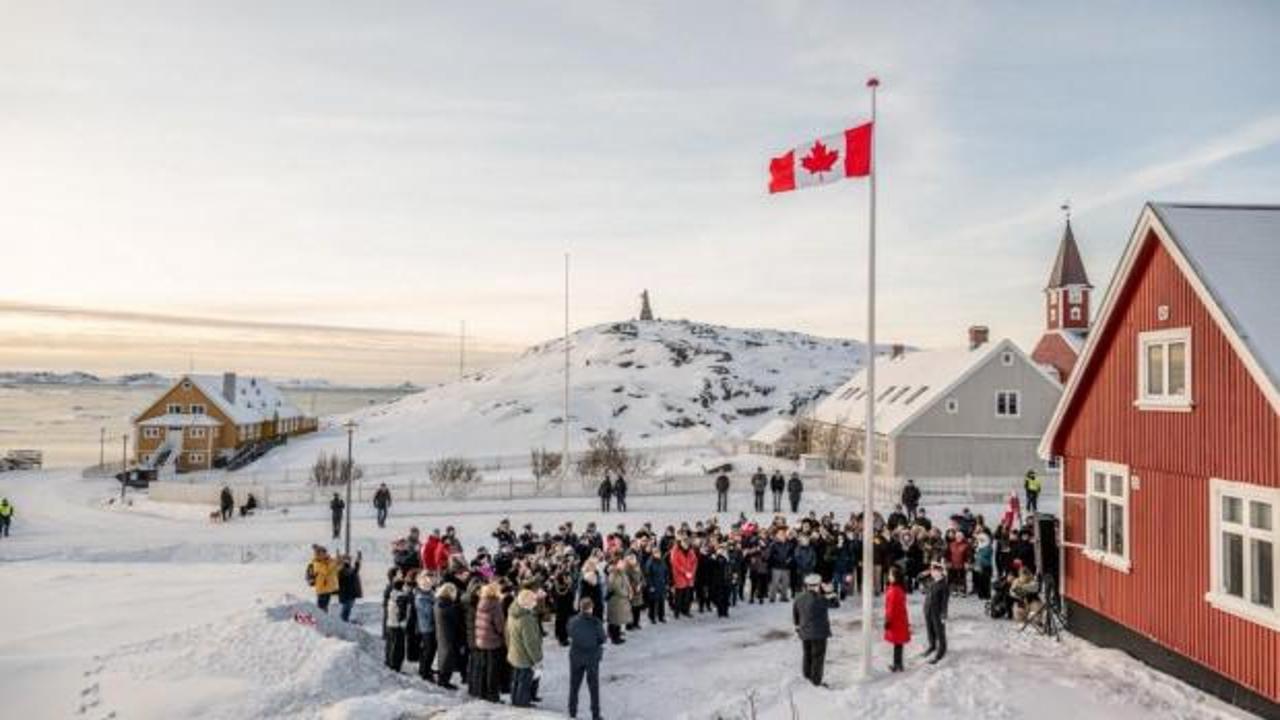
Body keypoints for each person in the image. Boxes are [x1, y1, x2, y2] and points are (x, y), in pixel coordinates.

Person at [793, 574, 839, 686]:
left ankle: (807, 678)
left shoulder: (799, 598)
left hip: (805, 632)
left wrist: (798, 628)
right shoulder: (821, 599)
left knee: (807, 655)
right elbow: (836, 604)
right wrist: (830, 592)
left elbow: (796, 615)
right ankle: (816, 681)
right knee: (818, 657)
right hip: (819, 634)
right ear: (818, 585)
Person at [567, 597, 606, 720]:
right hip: (591, 657)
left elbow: (570, 633)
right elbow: (602, 638)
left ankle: (572, 711)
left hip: (576, 656)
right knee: (593, 687)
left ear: (580, 607)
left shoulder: (572, 621)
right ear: (591, 608)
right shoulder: (596, 622)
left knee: (574, 685)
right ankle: (595, 714)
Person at [506, 589, 543, 707]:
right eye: (533, 601)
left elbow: (507, 633)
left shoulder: (513, 612)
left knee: (517, 678)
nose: (535, 603)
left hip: (515, 651)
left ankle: (515, 699)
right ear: (527, 603)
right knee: (524, 680)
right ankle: (522, 702)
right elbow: (530, 642)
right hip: (524, 655)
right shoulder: (526, 619)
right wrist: (537, 659)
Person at [473, 582, 506, 702]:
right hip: (492, 641)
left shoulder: (481, 602)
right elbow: (499, 625)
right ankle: (492, 695)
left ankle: (482, 692)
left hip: (481, 639)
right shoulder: (495, 604)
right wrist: (503, 634)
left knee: (484, 667)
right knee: (493, 670)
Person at [433, 582, 464, 689]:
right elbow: (452, 615)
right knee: (447, 657)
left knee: (444, 655)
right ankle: (444, 680)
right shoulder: (445, 604)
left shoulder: (439, 602)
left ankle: (443, 679)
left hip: (443, 632)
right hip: (447, 633)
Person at [883, 566, 911, 672]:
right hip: (900, 619)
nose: (889, 577)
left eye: (890, 575)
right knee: (898, 643)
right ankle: (898, 664)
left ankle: (897, 665)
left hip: (895, 620)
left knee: (897, 643)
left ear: (895, 577)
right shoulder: (899, 588)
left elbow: (891, 608)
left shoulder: (894, 590)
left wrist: (888, 620)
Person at [922, 561, 949, 664]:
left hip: (937, 612)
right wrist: (926, 573)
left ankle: (941, 650)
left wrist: (944, 614)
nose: (932, 572)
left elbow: (944, 601)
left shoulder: (943, 585)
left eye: (934, 570)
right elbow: (919, 578)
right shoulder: (931, 581)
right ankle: (932, 645)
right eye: (932, 570)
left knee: (939, 632)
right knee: (930, 630)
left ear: (940, 571)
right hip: (928, 610)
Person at [384, 572, 412, 671]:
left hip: (390, 623)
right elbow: (402, 612)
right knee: (398, 647)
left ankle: (389, 662)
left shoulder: (392, 594)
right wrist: (403, 623)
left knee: (390, 645)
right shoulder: (401, 597)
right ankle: (395, 666)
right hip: (397, 625)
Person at [413, 573, 437, 681]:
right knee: (428, 649)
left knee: (430, 649)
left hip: (431, 625)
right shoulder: (421, 596)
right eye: (428, 580)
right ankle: (425, 671)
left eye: (431, 580)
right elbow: (428, 612)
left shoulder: (430, 592)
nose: (430, 582)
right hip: (426, 626)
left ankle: (426, 668)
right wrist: (436, 604)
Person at [306, 545, 341, 611]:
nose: (325, 554)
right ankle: (321, 617)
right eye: (323, 552)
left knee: (325, 607)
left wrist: (338, 562)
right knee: (321, 608)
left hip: (328, 588)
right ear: (318, 554)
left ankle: (324, 616)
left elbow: (336, 570)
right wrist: (334, 563)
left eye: (325, 552)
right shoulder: (317, 562)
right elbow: (326, 571)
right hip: (322, 588)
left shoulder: (328, 561)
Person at [670, 537, 698, 618]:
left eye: (687, 543)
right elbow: (675, 563)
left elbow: (695, 562)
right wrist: (685, 572)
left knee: (687, 596)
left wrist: (692, 572)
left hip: (689, 577)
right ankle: (677, 612)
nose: (686, 545)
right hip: (679, 576)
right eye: (684, 543)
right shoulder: (676, 551)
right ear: (681, 543)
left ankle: (686, 610)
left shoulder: (691, 551)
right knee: (679, 596)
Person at [606, 561, 632, 644]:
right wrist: (626, 594)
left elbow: (627, 583)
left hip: (621, 600)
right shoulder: (614, 574)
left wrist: (630, 591)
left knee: (618, 619)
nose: (623, 565)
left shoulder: (622, 573)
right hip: (616, 600)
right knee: (615, 619)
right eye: (621, 564)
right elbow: (616, 587)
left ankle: (616, 635)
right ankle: (615, 638)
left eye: (623, 564)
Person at [337, 551, 363, 622]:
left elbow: (355, 570)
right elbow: (353, 572)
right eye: (346, 559)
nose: (348, 560)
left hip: (351, 593)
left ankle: (344, 621)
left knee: (347, 609)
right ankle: (343, 622)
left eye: (349, 559)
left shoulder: (348, 568)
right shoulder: (342, 570)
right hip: (346, 594)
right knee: (346, 609)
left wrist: (358, 560)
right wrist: (357, 560)